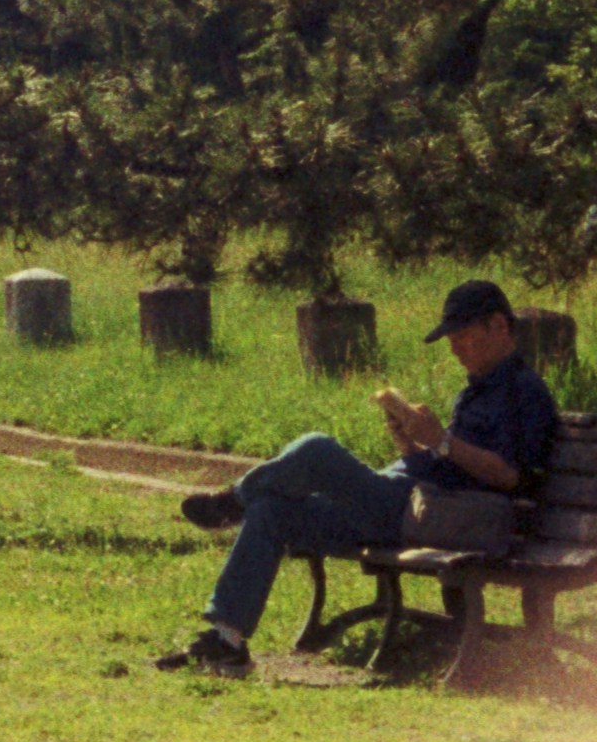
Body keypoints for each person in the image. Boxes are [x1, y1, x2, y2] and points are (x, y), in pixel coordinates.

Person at [155, 279, 558, 678]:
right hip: (407, 502)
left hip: (429, 516)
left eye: (462, 335)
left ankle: (231, 503)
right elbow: (446, 463)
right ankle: (227, 642)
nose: (453, 347)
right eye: (451, 337)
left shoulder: (525, 392)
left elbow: (509, 476)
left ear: (499, 327)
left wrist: (441, 440)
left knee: (316, 450)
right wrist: (411, 445)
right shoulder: (475, 391)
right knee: (271, 510)